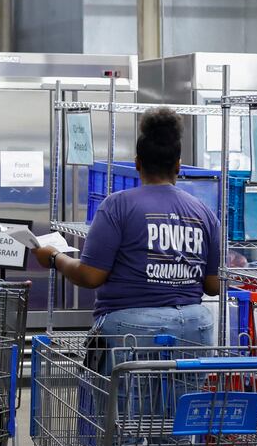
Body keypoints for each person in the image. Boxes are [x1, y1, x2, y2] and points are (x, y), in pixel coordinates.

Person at [34, 106, 221, 348]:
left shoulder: (118, 205)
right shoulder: (204, 212)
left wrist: (54, 257)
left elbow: (91, 276)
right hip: (195, 329)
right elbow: (214, 285)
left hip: (132, 331)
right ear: (178, 165)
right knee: (186, 388)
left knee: (118, 386)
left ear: (137, 163)